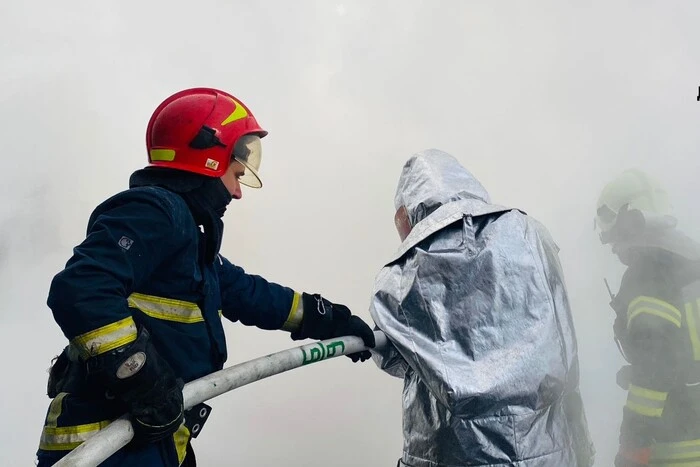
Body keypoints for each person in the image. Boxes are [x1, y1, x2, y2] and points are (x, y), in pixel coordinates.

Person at [35, 87, 376, 466]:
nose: (238, 192)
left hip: (155, 440)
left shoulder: (190, 244)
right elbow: (80, 289)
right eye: (236, 172)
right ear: (210, 160)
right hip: (107, 445)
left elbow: (247, 293)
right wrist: (138, 373)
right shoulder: (156, 210)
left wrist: (326, 317)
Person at [369, 149, 595, 467]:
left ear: (408, 210)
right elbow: (563, 334)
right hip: (549, 450)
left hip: (455, 454)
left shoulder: (405, 269)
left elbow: (395, 357)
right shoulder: (532, 234)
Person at [595, 169, 700, 467]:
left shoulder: (650, 273)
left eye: (609, 222)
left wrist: (632, 446)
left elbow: (656, 369)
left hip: (678, 452)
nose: (610, 242)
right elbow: (683, 352)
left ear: (630, 219)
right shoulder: (691, 259)